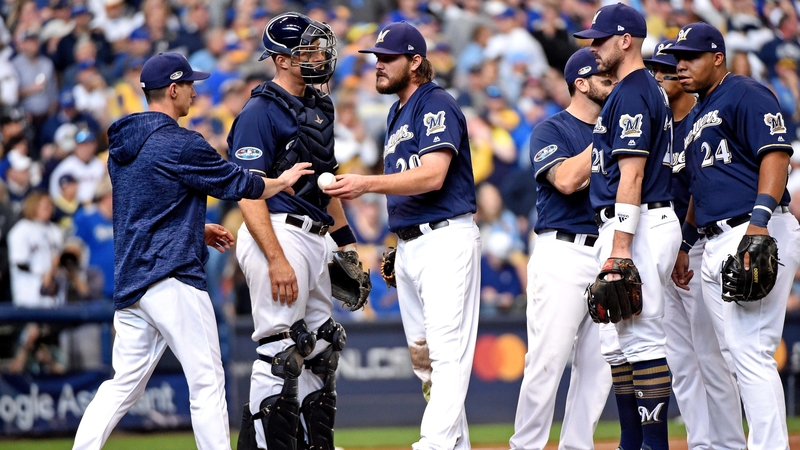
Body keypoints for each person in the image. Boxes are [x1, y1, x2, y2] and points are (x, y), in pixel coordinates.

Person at [71, 52, 313, 450]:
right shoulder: (180, 143)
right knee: (207, 379)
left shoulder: (120, 146)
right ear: (172, 89)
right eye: (188, 85)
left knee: (121, 386)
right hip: (173, 278)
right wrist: (281, 180)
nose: (194, 93)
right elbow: (242, 185)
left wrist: (192, 229)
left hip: (133, 283)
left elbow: (141, 209)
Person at [327, 21, 481, 450]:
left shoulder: (436, 104)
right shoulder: (396, 112)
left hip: (446, 239)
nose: (378, 65)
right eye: (377, 58)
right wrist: (400, 241)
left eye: (388, 58)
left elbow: (432, 176)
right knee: (425, 361)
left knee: (447, 355)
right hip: (413, 243)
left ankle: (432, 445)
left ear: (416, 62)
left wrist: (366, 184)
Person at [665, 22, 800, 449]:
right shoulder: (700, 112)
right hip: (716, 236)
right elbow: (698, 188)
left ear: (717, 57)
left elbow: (775, 155)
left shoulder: (744, 91)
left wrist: (759, 224)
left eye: (691, 57)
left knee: (749, 354)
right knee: (734, 356)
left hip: (752, 228)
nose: (680, 66)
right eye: (678, 59)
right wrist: (686, 244)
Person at [227, 13, 355, 450]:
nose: (321, 56)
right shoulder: (259, 112)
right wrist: (276, 258)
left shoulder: (319, 106)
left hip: (314, 233)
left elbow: (327, 181)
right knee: (281, 349)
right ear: (283, 60)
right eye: (309, 50)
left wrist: (347, 244)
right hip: (276, 230)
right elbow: (247, 193)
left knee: (322, 347)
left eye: (320, 48)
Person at [573, 4, 681, 450]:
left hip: (638, 224)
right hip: (632, 223)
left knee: (641, 339)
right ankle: (631, 443)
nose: (593, 46)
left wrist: (619, 249)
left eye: (600, 39)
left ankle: (652, 445)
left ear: (625, 40)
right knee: (617, 342)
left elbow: (632, 175)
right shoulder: (632, 90)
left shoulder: (635, 90)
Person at [509, 48, 614, 450]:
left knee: (600, 366)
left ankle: (577, 445)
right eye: (606, 79)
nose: (614, 85)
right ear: (581, 83)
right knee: (547, 361)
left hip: (607, 249)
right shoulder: (550, 130)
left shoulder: (622, 128)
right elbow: (567, 180)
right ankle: (527, 446)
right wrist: (607, 135)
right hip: (563, 251)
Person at [645, 39, 747, 449]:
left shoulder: (704, 121)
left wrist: (686, 246)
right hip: (664, 247)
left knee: (714, 355)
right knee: (682, 362)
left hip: (699, 244)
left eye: (670, 65)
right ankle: (702, 443)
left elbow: (700, 193)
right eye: (657, 67)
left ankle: (730, 444)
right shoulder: (656, 127)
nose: (662, 73)